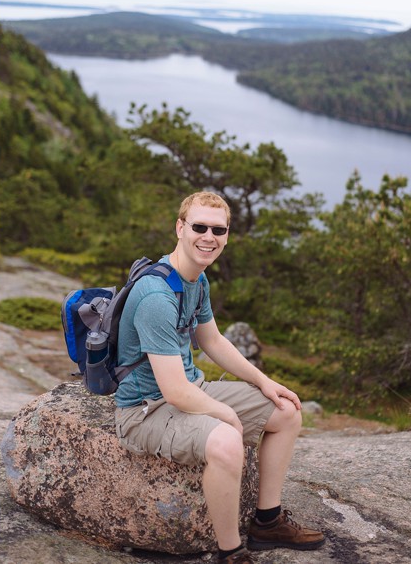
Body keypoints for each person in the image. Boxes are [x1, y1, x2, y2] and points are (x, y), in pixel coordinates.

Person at [114, 191, 325, 564]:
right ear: (180, 228)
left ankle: (267, 521)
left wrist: (264, 381)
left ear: (227, 235)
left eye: (218, 229)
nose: (208, 237)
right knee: (227, 440)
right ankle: (231, 553)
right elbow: (175, 391)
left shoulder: (197, 279)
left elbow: (211, 339)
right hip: (145, 411)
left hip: (190, 390)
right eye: (199, 227)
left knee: (287, 411)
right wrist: (226, 415)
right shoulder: (156, 296)